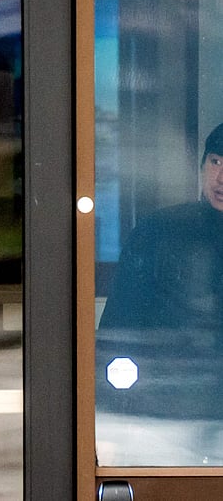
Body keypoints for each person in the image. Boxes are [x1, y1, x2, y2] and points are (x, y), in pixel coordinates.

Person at [96, 122, 223, 464]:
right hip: (162, 413)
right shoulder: (158, 231)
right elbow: (120, 322)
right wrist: (113, 400)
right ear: (201, 168)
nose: (221, 177)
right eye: (215, 162)